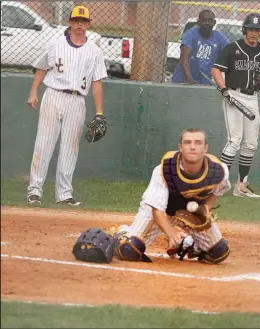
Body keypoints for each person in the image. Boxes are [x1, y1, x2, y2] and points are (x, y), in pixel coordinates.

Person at [108, 128, 232, 264]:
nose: (192, 147)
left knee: (218, 252)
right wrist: (171, 233)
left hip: (191, 213)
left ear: (205, 148)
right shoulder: (164, 170)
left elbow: (218, 191)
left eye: (198, 143)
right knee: (130, 248)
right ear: (180, 147)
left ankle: (184, 242)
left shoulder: (218, 171)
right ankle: (120, 233)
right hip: (162, 212)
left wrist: (205, 209)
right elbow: (157, 211)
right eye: (187, 142)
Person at [26, 5, 107, 206]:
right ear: (70, 22)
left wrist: (99, 112)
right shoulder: (56, 43)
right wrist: (33, 92)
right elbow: (41, 68)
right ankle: (34, 190)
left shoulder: (95, 51)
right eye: (76, 21)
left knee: (70, 148)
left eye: (83, 21)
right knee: (43, 143)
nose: (79, 24)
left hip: (77, 100)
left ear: (89, 24)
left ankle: (64, 194)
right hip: (53, 95)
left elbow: (97, 82)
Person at [211, 12, 260, 198]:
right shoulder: (232, 48)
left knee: (250, 144)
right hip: (233, 94)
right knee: (234, 141)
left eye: (257, 30)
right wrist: (224, 90)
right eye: (250, 29)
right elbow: (216, 70)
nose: (253, 33)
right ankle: (218, 183)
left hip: (252, 97)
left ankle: (241, 186)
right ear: (244, 30)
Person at [171, 10, 229, 85]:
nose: (207, 23)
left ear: (214, 23)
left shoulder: (220, 38)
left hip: (204, 81)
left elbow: (230, 56)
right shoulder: (190, 34)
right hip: (183, 80)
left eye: (210, 20)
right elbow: (183, 57)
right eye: (204, 20)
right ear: (198, 22)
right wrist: (188, 78)